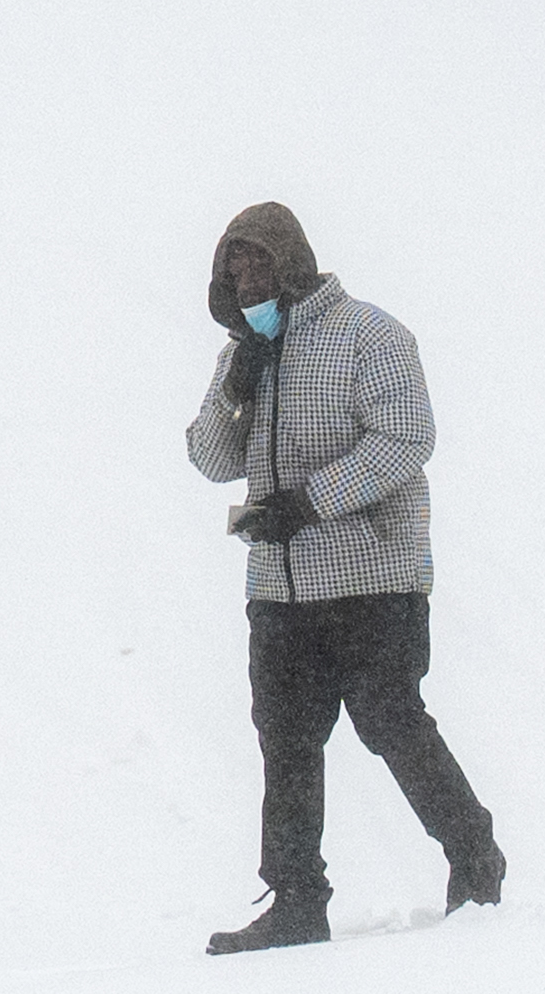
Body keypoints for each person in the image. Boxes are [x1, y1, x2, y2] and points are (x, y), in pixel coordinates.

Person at [183, 199, 504, 953]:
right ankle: (296, 901)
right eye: (235, 267)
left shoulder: (370, 335)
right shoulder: (241, 355)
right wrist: (238, 388)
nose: (248, 279)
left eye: (260, 262)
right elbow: (209, 459)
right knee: (286, 740)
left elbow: (406, 439)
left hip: (372, 580)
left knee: (390, 720)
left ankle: (475, 860)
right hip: (280, 590)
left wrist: (311, 502)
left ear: (293, 260)